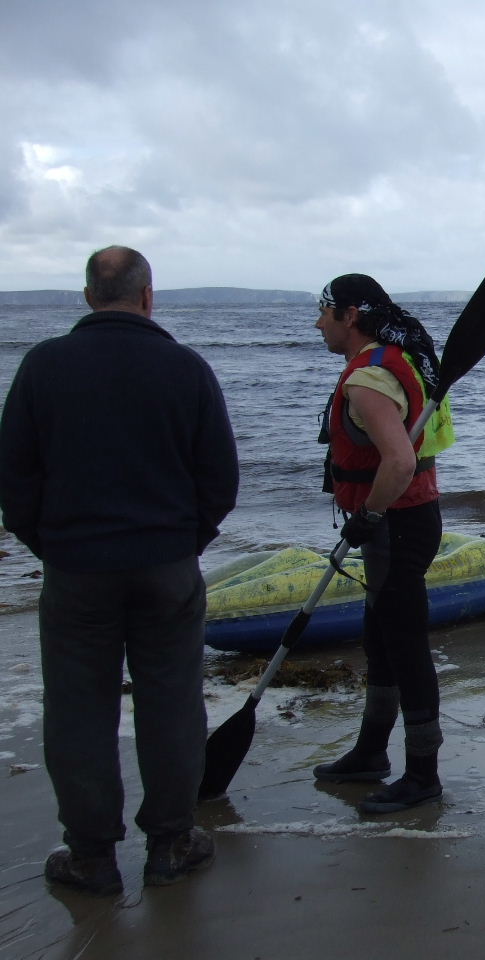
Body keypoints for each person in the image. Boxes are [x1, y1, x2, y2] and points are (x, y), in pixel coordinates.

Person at [0, 246, 239, 895]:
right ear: (148, 296)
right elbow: (220, 478)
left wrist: (51, 545)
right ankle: (170, 843)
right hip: (166, 565)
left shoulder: (44, 365)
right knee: (173, 703)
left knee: (77, 711)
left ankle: (91, 856)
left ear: (87, 296)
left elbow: (14, 479)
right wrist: (185, 541)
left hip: (77, 568)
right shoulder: (185, 368)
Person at [311, 274, 455, 814]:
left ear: (350, 315)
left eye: (324, 311)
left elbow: (397, 461)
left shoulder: (370, 380)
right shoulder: (400, 361)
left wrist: (367, 516)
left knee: (406, 646)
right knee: (381, 639)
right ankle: (370, 752)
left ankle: (423, 774)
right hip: (404, 520)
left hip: (395, 524)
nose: (318, 323)